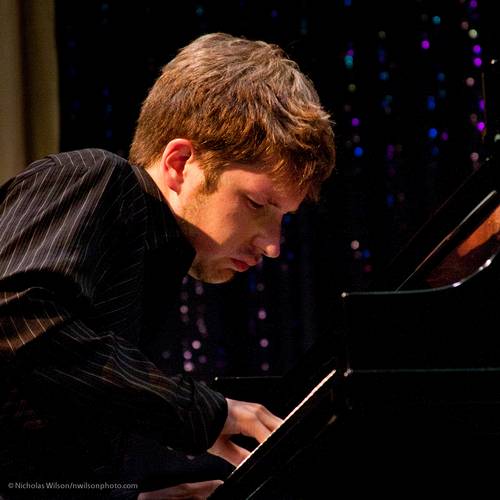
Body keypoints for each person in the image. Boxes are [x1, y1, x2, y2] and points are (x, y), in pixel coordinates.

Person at [0, 32, 335, 499]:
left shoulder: (149, 263)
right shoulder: (96, 178)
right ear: (179, 163)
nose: (274, 246)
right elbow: (14, 317)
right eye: (258, 202)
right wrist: (198, 411)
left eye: (283, 219)